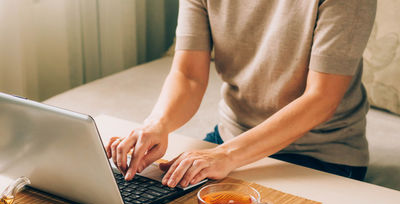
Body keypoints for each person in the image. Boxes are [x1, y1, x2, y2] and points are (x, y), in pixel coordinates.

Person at [106, 0, 377, 188]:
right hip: (231, 135)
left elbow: (321, 98)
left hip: (321, 153)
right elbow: (188, 76)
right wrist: (158, 124)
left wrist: (226, 156)